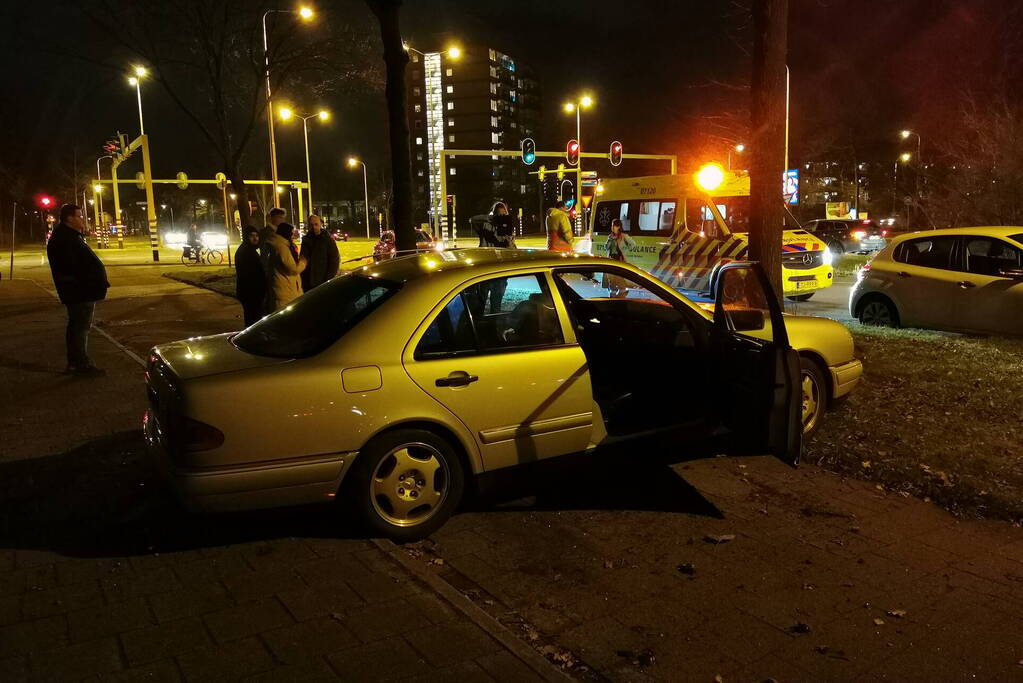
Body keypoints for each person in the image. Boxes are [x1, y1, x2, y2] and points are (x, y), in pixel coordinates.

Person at [46, 204, 109, 375]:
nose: (83, 219)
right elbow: (73, 267)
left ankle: (75, 362)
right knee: (80, 327)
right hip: (79, 292)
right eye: (80, 216)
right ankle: (81, 364)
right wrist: (91, 282)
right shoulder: (66, 239)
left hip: (79, 290)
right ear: (69, 218)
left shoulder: (69, 236)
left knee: (77, 326)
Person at [267, 220, 307, 310]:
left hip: (287, 290)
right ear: (286, 234)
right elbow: (293, 269)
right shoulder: (281, 247)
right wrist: (303, 262)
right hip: (285, 294)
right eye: (291, 234)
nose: (293, 236)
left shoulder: (282, 245)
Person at [234, 226, 266, 327]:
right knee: (253, 320)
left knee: (251, 319)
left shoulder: (247, 250)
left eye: (257, 235)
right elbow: (251, 274)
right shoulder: (247, 252)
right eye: (252, 236)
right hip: (251, 292)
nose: (255, 238)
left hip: (248, 292)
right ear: (246, 237)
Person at [299, 214, 340, 292]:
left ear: (320, 224)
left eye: (316, 224)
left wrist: (327, 279)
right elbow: (303, 258)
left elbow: (334, 260)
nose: (314, 227)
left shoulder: (327, 240)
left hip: (322, 282)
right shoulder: (306, 240)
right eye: (311, 225)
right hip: (307, 283)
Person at [603, 218, 635, 297]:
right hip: (611, 259)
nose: (612, 228)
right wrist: (610, 240)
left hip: (619, 259)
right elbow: (606, 248)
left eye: (614, 226)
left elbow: (633, 244)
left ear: (619, 227)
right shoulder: (610, 236)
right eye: (612, 226)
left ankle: (622, 293)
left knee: (620, 277)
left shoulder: (623, 236)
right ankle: (612, 294)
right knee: (611, 278)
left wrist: (625, 250)